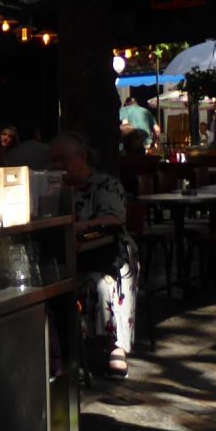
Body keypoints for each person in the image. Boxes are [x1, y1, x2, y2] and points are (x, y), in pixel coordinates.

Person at [50, 132, 139, 377]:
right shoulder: (54, 189)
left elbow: (113, 219)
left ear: (82, 157)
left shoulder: (105, 184)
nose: (57, 166)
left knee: (102, 282)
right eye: (53, 161)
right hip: (72, 251)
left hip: (110, 250)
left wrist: (77, 227)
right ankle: (63, 350)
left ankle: (116, 346)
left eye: (63, 160)